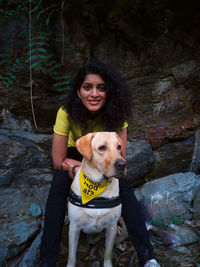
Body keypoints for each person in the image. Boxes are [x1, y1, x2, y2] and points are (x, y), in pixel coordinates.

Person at [40, 61, 160, 267]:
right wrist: (78, 169)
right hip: (76, 152)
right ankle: (48, 261)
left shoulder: (117, 114)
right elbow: (58, 160)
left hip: (106, 156)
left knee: (125, 191)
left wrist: (101, 168)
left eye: (101, 88)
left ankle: (148, 257)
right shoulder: (66, 112)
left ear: (108, 92)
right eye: (87, 87)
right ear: (78, 92)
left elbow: (120, 156)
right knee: (58, 189)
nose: (94, 93)